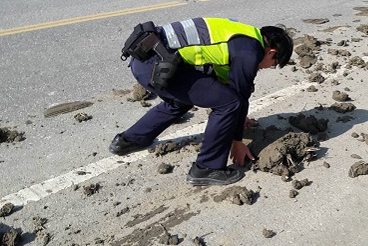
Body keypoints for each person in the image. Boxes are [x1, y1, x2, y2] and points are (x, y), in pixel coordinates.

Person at [109, 17, 293, 186]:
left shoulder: (241, 34)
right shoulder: (249, 52)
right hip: (159, 67)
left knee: (180, 102)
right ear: (271, 51)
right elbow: (238, 96)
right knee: (229, 103)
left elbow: (224, 81)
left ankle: (128, 141)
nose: (268, 67)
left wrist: (237, 118)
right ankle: (207, 168)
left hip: (143, 60)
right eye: (273, 63)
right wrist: (236, 141)